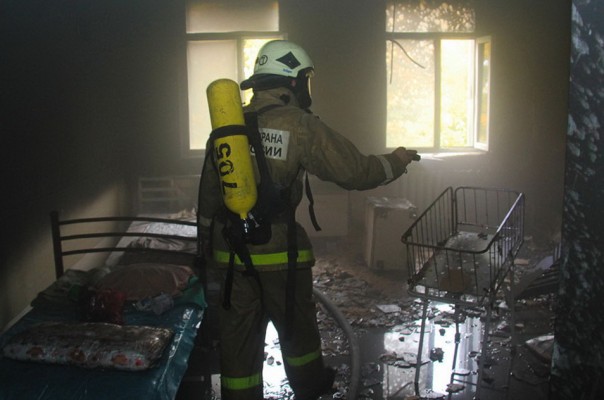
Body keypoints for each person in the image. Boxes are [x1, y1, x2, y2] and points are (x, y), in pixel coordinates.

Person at [197, 40, 418, 400]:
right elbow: (355, 171)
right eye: (305, 79)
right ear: (293, 82)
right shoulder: (299, 125)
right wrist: (397, 161)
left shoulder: (227, 128)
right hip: (280, 255)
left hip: (231, 255)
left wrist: (206, 249)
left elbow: (208, 197)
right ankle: (310, 388)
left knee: (237, 338)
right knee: (296, 330)